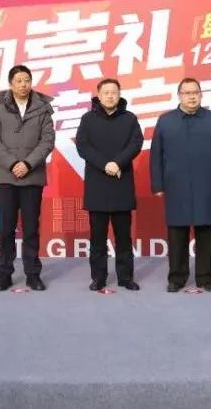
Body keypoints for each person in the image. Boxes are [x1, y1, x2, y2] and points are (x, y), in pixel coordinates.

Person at [150, 78, 211, 293]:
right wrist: (157, 184)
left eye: (195, 92)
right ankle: (177, 278)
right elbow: (156, 156)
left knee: (207, 231)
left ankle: (205, 278)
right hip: (176, 185)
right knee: (177, 231)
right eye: (187, 93)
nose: (192, 96)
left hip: (207, 184)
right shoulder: (166, 121)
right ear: (179, 95)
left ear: (201, 95)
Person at [0, 64, 55, 292]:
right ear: (10, 84)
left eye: (27, 80)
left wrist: (27, 164)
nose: (24, 84)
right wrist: (13, 164)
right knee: (6, 229)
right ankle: (4, 273)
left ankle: (33, 274)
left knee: (31, 228)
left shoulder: (43, 108)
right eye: (19, 81)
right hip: (6, 177)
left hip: (32, 177)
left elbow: (47, 140)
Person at [75, 78, 144, 291]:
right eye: (106, 92)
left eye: (114, 92)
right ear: (99, 95)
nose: (110, 96)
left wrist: (118, 163)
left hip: (122, 184)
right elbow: (83, 146)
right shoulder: (88, 119)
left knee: (123, 237)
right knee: (97, 238)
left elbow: (136, 143)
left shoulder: (130, 118)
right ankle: (98, 277)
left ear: (119, 94)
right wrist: (105, 164)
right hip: (97, 184)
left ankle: (125, 277)